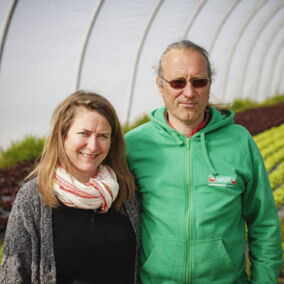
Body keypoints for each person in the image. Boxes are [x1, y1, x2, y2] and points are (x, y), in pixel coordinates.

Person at [125, 40, 282, 283]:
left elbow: (263, 222)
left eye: (199, 82)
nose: (189, 93)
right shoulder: (134, 145)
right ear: (160, 85)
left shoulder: (239, 142)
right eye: (178, 82)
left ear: (209, 84)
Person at [0, 90, 140, 284]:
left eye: (103, 136)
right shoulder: (34, 196)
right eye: (84, 133)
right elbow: (14, 274)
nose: (93, 146)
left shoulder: (125, 193)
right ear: (63, 135)